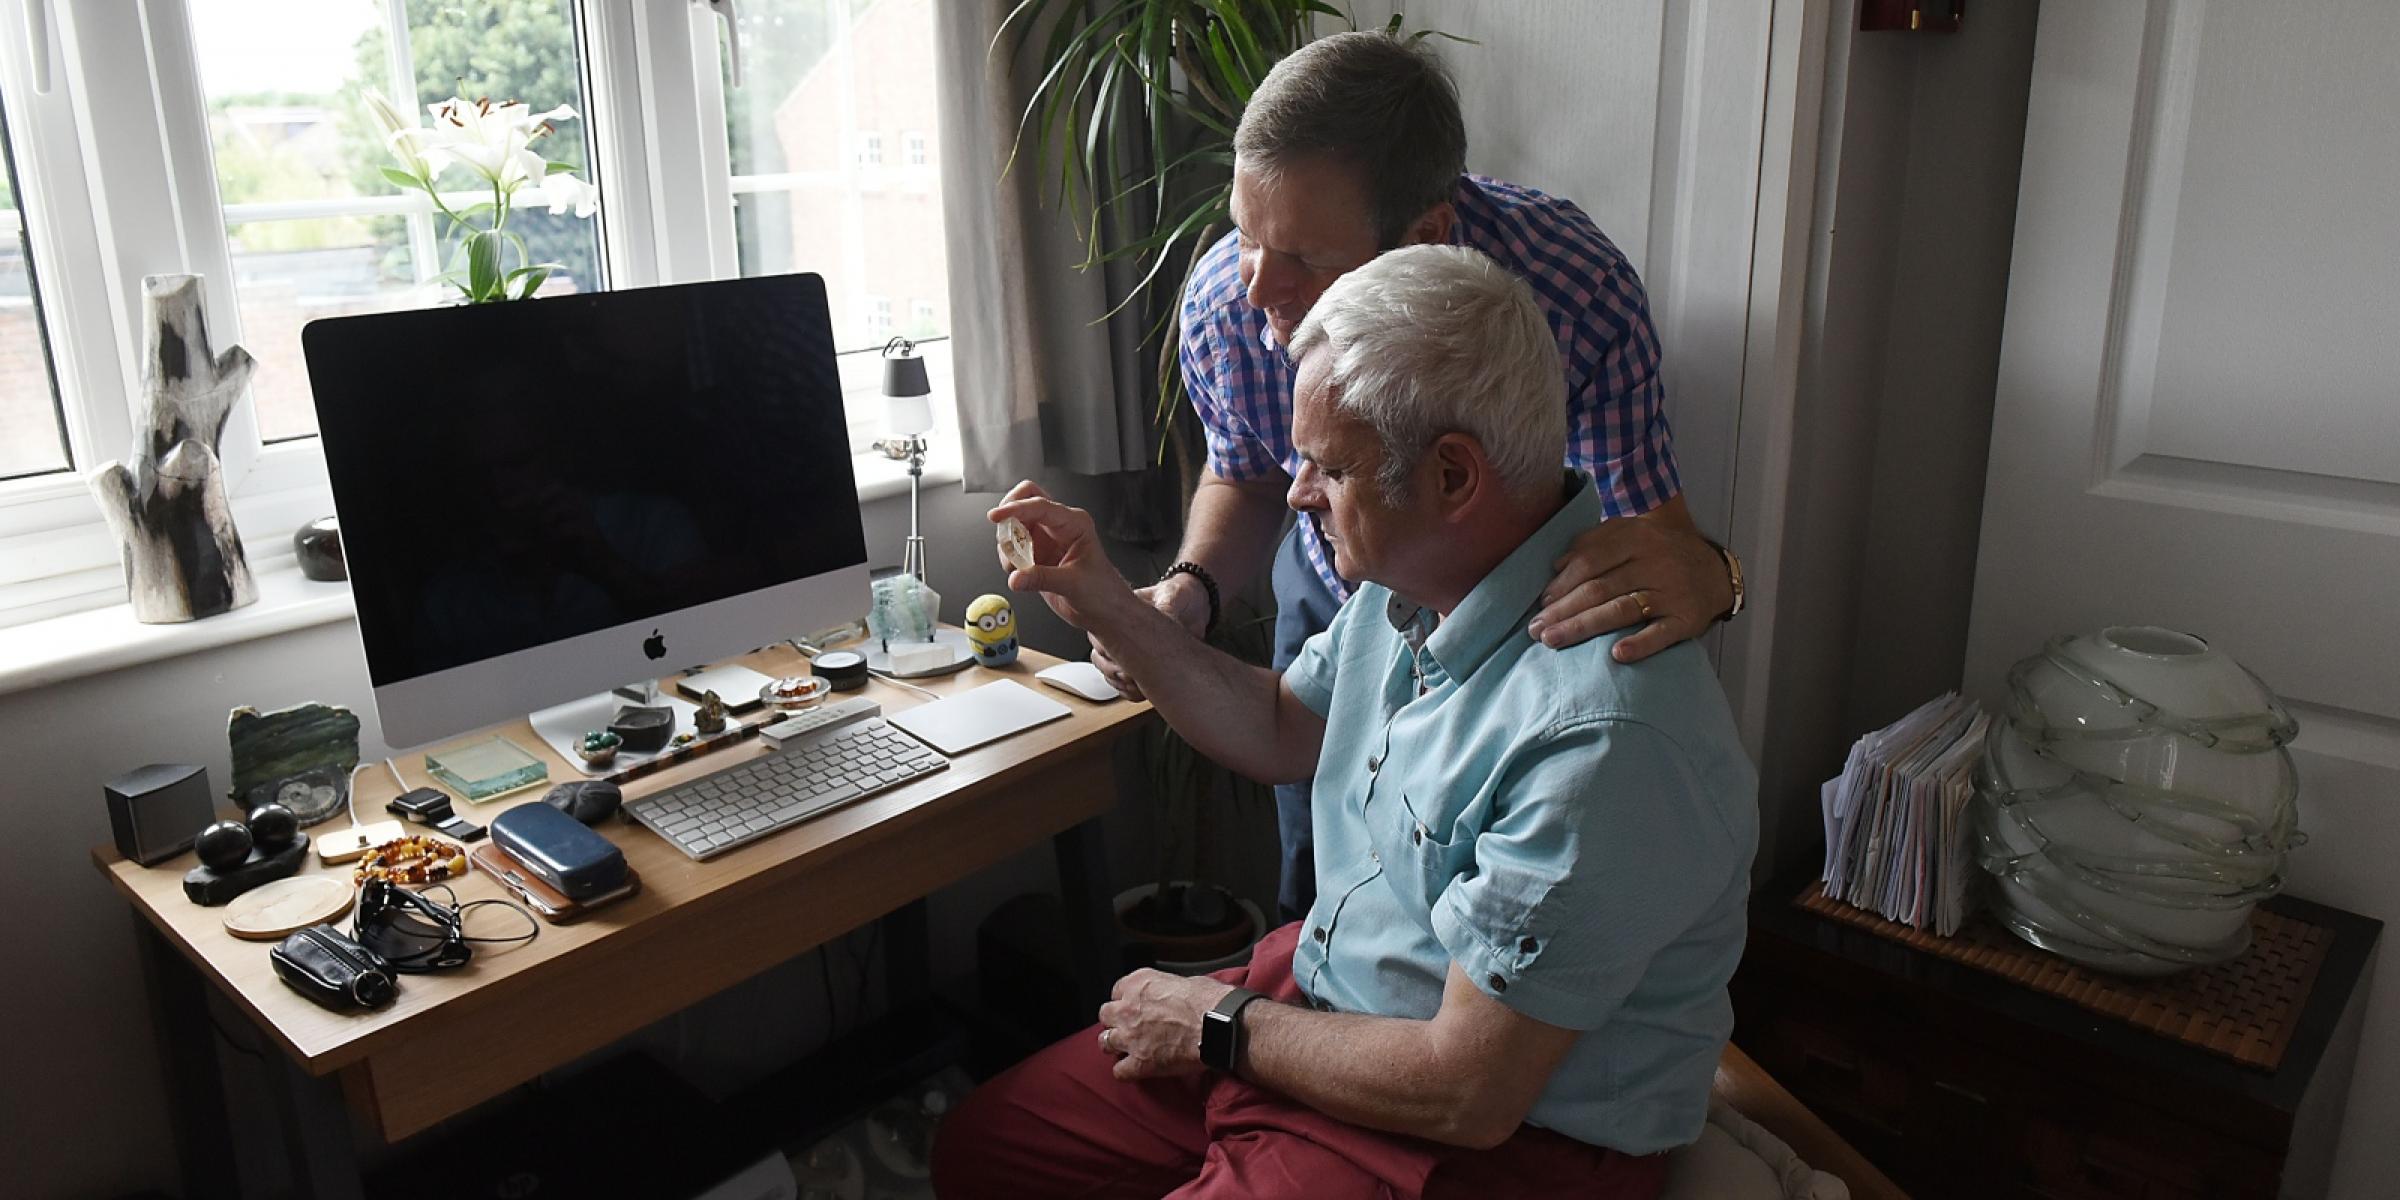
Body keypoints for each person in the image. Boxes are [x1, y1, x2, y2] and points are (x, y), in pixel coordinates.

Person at [936, 245, 1756, 1199]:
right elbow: (1284, 727)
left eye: (1329, 467)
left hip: (1485, 1132)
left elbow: (1468, 1092)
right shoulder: (1415, 582)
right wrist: (1110, 607)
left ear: (1454, 478)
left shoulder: (1603, 736)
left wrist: (1216, 1025)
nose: (1295, 493)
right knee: (985, 1147)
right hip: (1331, 1005)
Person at [1095, 31, 1744, 923]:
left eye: (1304, 259)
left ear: (1425, 233)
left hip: (1512, 647)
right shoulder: (1228, 301)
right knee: (1323, 891)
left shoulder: (1572, 294)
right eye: (1245, 234)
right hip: (1338, 607)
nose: (1257, 290)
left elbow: (1649, 541)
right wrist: (1191, 589)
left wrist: (1714, 577)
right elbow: (1247, 477)